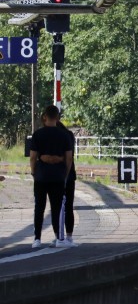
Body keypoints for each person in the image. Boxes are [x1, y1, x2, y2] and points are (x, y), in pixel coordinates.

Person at [28, 104, 72, 249]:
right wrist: (64, 174)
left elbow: (33, 157)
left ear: (45, 116)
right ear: (58, 118)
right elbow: (69, 158)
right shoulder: (64, 135)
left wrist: (34, 172)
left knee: (39, 207)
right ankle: (58, 238)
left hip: (41, 175)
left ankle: (37, 239)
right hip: (58, 176)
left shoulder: (38, 134)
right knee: (57, 208)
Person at [55, 111, 77, 247]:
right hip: (69, 175)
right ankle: (68, 236)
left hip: (55, 175)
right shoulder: (69, 135)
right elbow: (70, 156)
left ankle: (59, 236)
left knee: (56, 206)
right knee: (69, 206)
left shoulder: (52, 136)